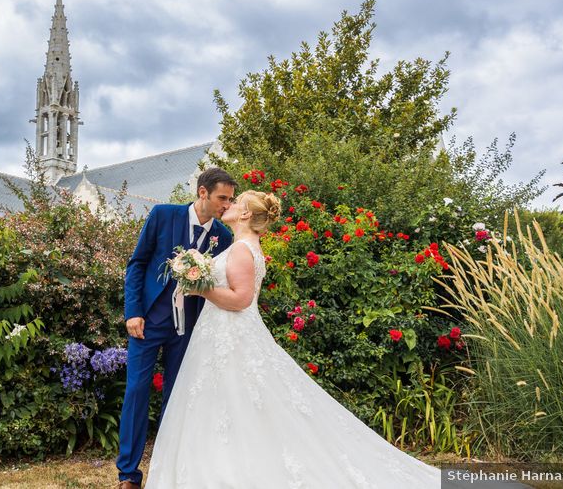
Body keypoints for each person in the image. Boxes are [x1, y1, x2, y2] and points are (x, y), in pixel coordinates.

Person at [144, 190, 491, 488]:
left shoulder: (240, 250)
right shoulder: (246, 246)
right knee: (236, 403)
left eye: (236, 202)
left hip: (230, 334)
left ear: (246, 213)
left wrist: (200, 287)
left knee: (239, 401)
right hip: (222, 336)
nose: (230, 204)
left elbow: (240, 300)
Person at [116, 168, 236, 489]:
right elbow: (137, 264)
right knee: (137, 392)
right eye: (222, 198)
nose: (227, 204)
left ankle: (166, 470)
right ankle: (128, 474)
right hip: (148, 322)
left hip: (188, 330)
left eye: (230, 199)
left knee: (177, 398)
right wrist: (134, 312)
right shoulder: (163, 215)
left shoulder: (223, 237)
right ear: (202, 193)